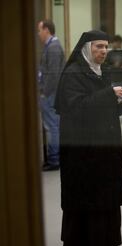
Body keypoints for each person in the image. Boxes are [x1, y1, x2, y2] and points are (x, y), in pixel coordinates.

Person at [54, 30, 122, 246]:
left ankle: (106, 242)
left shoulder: (100, 72)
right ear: (86, 48)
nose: (104, 51)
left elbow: (103, 107)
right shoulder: (73, 74)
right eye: (99, 46)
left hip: (103, 148)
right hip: (83, 152)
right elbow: (77, 107)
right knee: (90, 198)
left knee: (105, 196)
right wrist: (109, 94)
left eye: (106, 47)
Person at [37, 19, 65, 171]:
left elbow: (53, 75)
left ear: (46, 30)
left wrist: (44, 93)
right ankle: (54, 158)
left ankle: (54, 160)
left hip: (50, 94)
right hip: (50, 93)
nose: (38, 33)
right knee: (53, 125)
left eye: (39, 30)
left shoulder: (53, 47)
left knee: (52, 126)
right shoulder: (51, 46)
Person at [105, 34, 122, 124]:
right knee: (112, 99)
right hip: (114, 80)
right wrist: (114, 66)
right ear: (113, 43)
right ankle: (112, 117)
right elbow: (105, 66)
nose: (118, 44)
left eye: (120, 43)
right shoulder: (109, 54)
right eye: (116, 42)